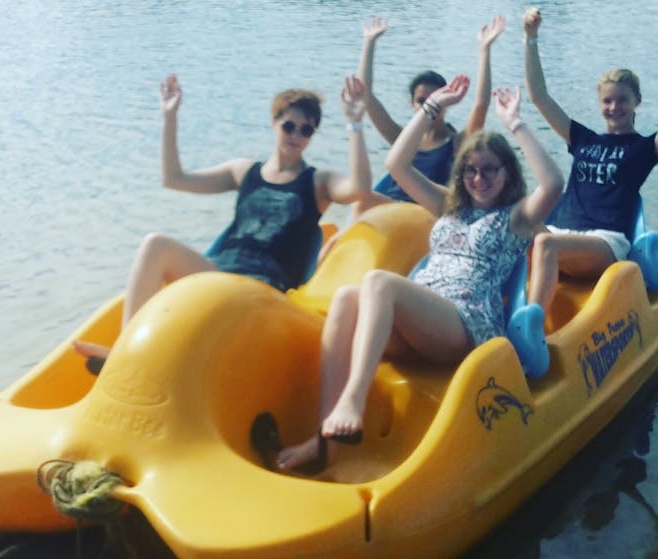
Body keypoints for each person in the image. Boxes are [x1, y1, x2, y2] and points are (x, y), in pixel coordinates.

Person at [275, 76, 564, 472]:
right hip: (421, 320)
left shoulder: (515, 218)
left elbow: (553, 182)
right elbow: (396, 163)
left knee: (379, 282)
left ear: (507, 174)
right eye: (471, 171)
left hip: (466, 325)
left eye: (489, 171)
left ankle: (353, 399)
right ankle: (327, 440)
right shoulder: (449, 207)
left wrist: (515, 123)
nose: (479, 180)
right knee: (346, 296)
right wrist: (433, 107)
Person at [73, 73, 373, 368]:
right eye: (289, 126)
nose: (296, 135)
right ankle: (127, 352)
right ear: (274, 123)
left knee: (206, 288)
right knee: (155, 245)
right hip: (220, 272)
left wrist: (355, 123)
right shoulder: (244, 172)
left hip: (264, 290)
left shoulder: (318, 182)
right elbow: (174, 178)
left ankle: (137, 358)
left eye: (306, 130)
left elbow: (359, 189)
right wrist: (169, 118)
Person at [521, 8, 658, 376]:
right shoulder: (581, 138)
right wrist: (531, 37)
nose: (614, 107)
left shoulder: (642, 150)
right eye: (608, 101)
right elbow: (538, 96)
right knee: (513, 222)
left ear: (636, 103)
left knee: (544, 245)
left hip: (605, 241)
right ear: (600, 105)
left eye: (622, 100)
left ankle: (529, 333)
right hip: (562, 232)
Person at [317, 16, 505, 262]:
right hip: (391, 207)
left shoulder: (458, 144)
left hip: (426, 214)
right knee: (359, 201)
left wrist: (484, 50)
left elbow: (480, 105)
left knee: (362, 204)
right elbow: (366, 97)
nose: (431, 106)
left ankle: (332, 255)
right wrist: (369, 42)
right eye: (422, 101)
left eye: (436, 99)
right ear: (412, 104)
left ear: (446, 101)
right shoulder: (403, 138)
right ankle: (331, 260)